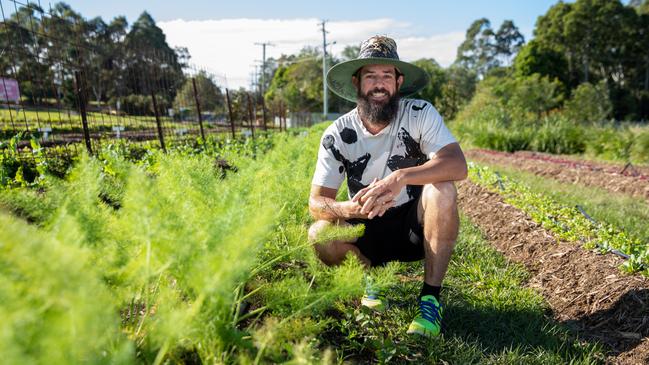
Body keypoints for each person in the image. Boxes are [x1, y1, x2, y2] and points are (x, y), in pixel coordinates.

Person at [307, 35, 467, 337]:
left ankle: (430, 300)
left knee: (442, 189)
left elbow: (457, 165)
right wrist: (346, 207)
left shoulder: (419, 113)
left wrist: (401, 177)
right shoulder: (338, 133)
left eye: (386, 76)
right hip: (365, 225)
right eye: (371, 76)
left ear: (398, 81)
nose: (379, 84)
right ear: (357, 82)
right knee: (319, 232)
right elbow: (316, 202)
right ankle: (371, 283)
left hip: (412, 227)